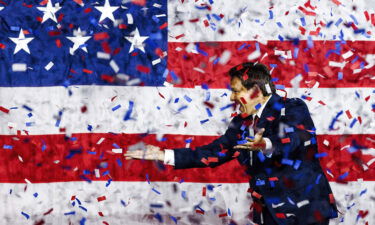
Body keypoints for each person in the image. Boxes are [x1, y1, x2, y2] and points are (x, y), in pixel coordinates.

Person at [125, 62, 338, 225]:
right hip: (269, 212)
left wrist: (264, 143)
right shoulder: (241, 123)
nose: (231, 97)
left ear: (255, 90)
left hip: (306, 210)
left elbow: (295, 139)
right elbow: (213, 152)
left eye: (236, 91)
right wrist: (163, 154)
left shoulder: (292, 108)